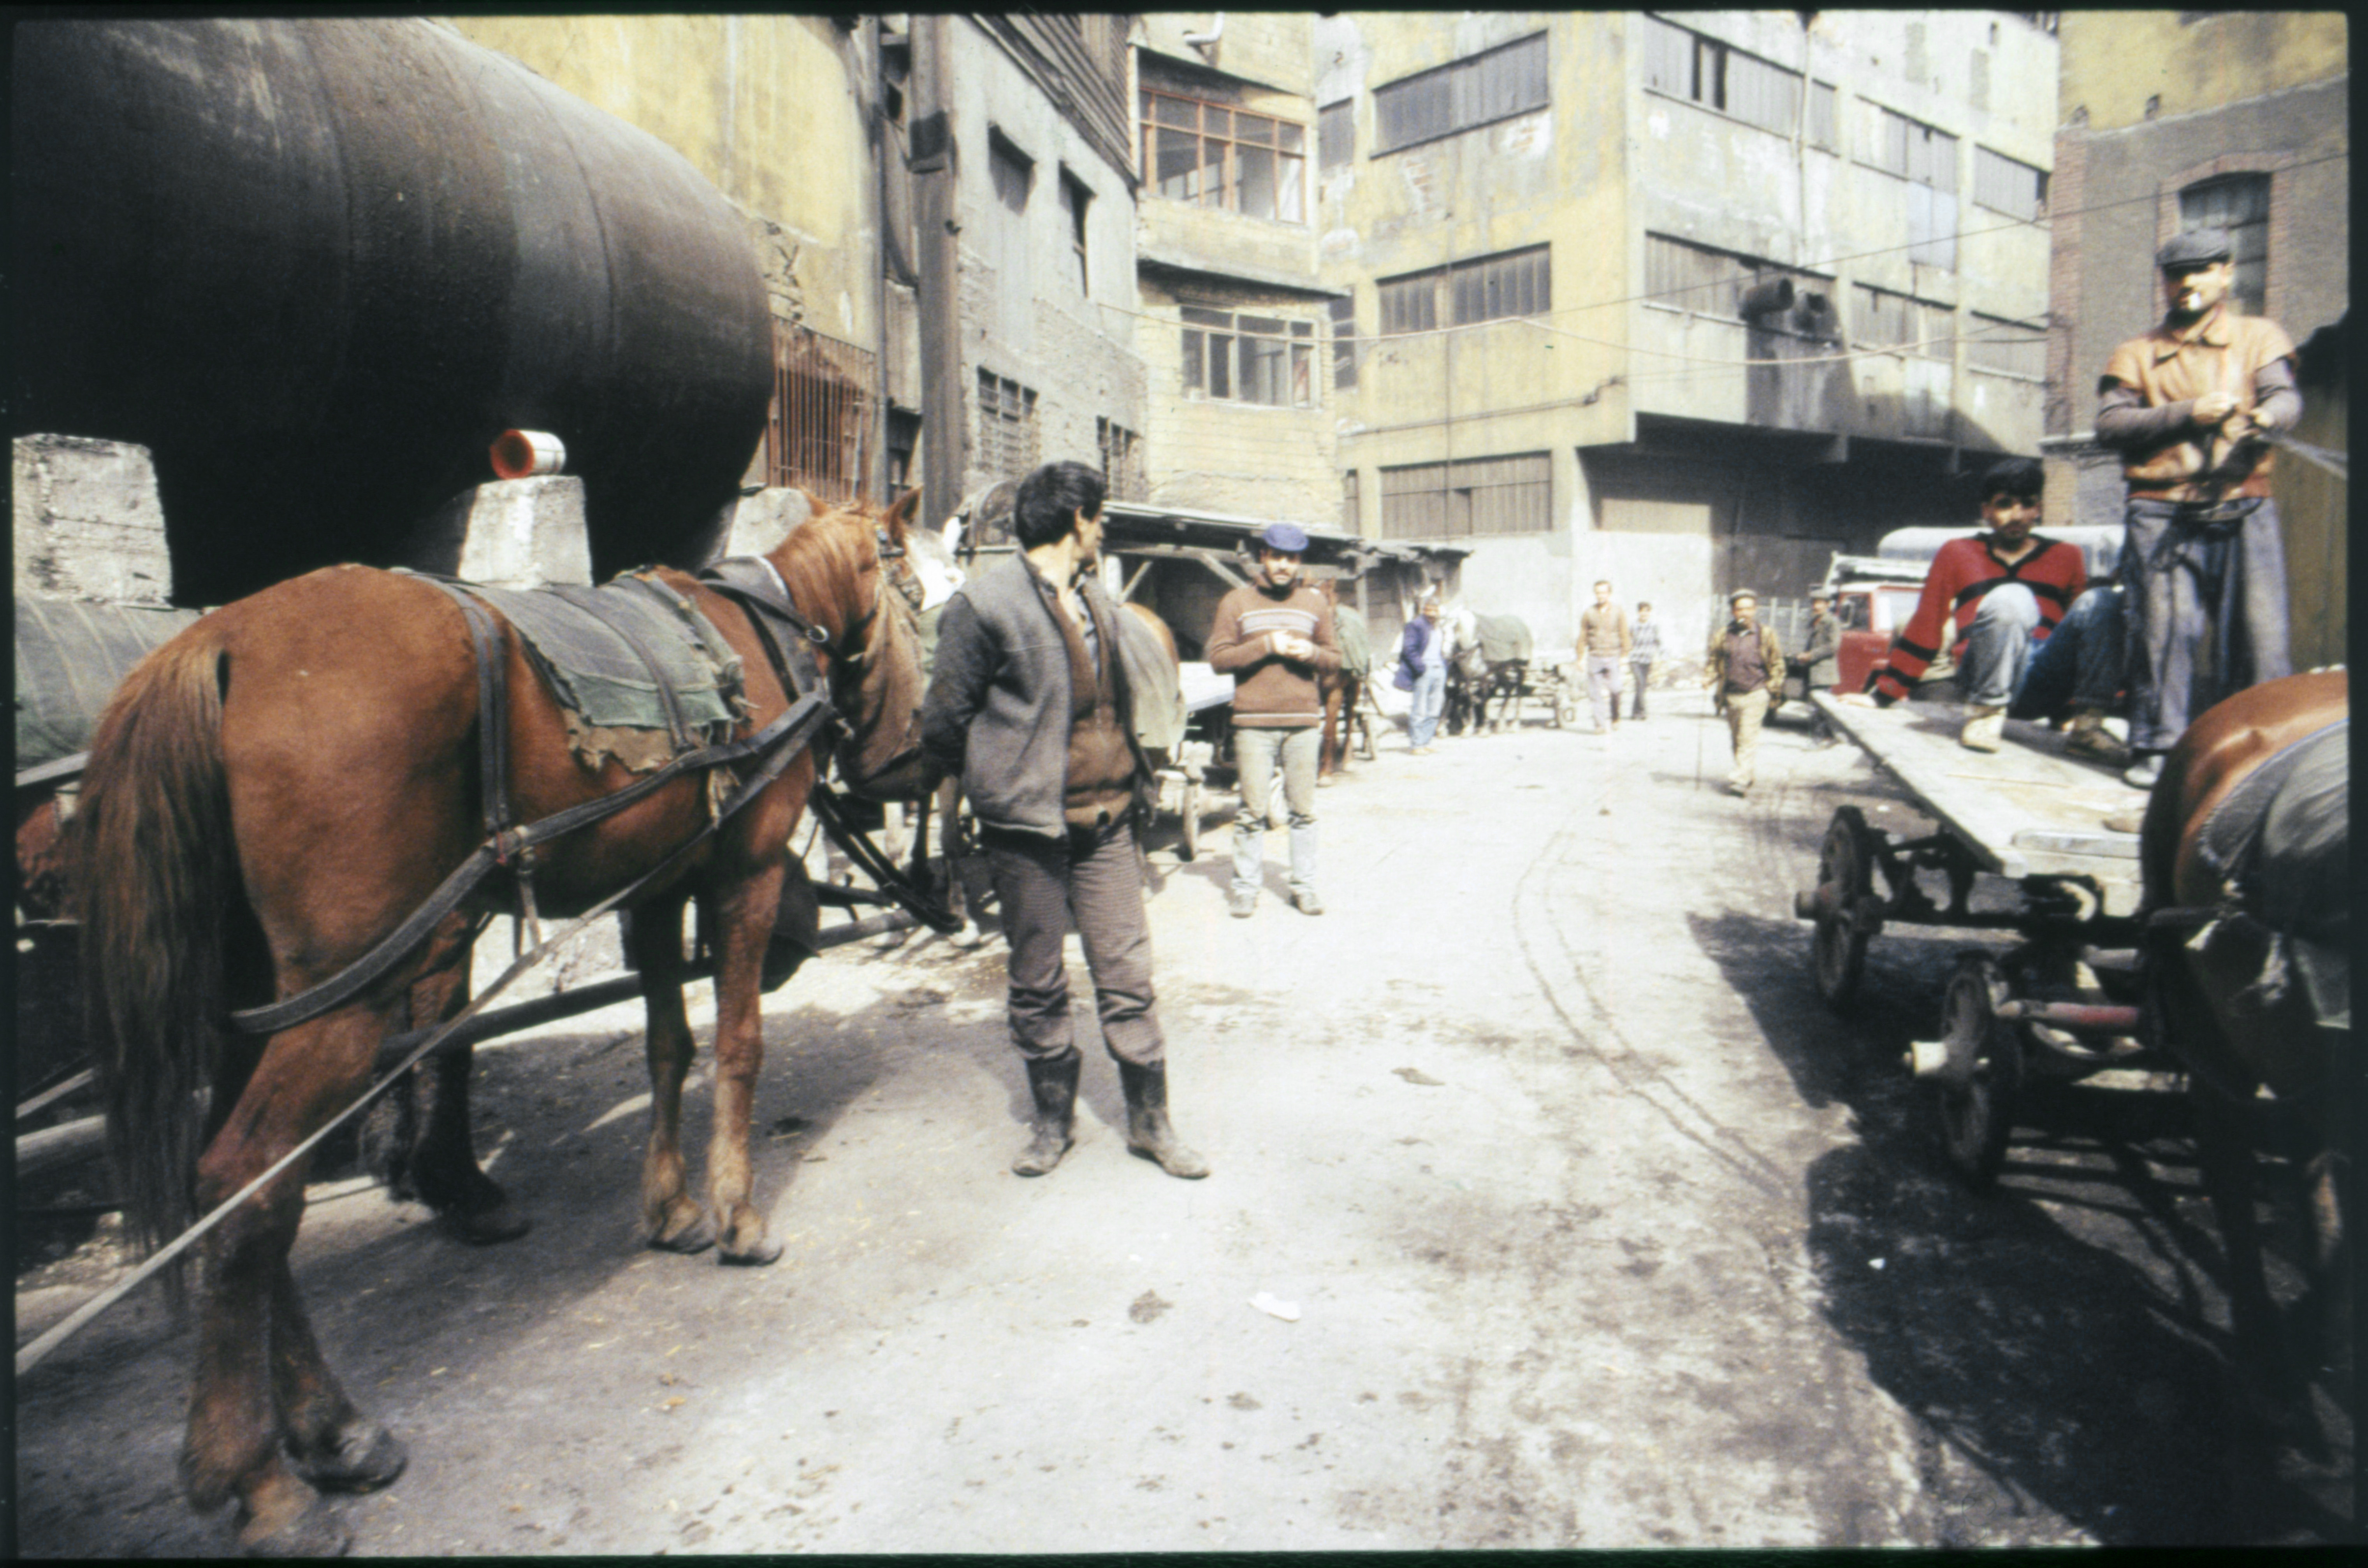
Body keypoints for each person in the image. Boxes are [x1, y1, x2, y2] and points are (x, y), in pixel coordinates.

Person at [919, 460, 1207, 1180]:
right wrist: (990, 791)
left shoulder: (1094, 598)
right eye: (1099, 517)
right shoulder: (983, 606)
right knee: (1037, 979)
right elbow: (944, 722)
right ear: (1078, 519)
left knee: (1127, 973)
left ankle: (1150, 1124)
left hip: (1107, 822)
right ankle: (1052, 1123)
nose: (1102, 530)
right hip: (1026, 833)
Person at [2096, 225, 2301, 790]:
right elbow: (2110, 424)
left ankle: (2263, 751)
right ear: (2164, 282)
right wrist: (2188, 412)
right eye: (2176, 274)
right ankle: (2156, 748)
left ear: (2226, 274)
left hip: (2243, 505)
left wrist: (2266, 417)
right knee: (2164, 633)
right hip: (2160, 511)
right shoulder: (2134, 353)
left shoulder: (2259, 337)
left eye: (2201, 270)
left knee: (2259, 636)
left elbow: (2284, 396)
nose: (2187, 282)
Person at [1857, 456, 2087, 754]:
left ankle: (2089, 724)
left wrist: (2067, 709)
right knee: (2012, 597)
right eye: (2004, 505)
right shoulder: (1958, 553)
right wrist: (1883, 694)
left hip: (2044, 685)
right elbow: (1927, 623)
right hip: (1981, 678)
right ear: (1986, 511)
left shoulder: (2067, 557)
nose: (2017, 516)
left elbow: (2080, 638)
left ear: (2038, 510)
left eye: (2027, 505)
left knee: (2100, 603)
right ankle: (1987, 714)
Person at [1206, 521, 1340, 919]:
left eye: (1292, 558)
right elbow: (1218, 659)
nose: (1284, 565)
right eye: (1277, 556)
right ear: (1263, 556)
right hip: (1253, 724)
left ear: (1299, 562)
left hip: (1302, 722)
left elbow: (1334, 659)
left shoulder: (1314, 604)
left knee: (1303, 811)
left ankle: (1304, 887)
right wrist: (1266, 645)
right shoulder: (1236, 601)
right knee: (1251, 811)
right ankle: (1245, 889)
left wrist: (1311, 654)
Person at [1703, 589, 1784, 795]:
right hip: (1731, 695)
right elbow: (1714, 660)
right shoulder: (1723, 635)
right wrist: (1709, 677)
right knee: (1737, 739)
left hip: (1756, 693)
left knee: (1747, 738)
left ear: (1755, 610)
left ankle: (1739, 780)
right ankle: (1747, 774)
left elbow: (1777, 663)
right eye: (1740, 609)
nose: (1744, 613)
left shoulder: (1766, 634)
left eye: (1748, 609)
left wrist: (1771, 688)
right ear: (1733, 611)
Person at [1577, 579, 1632, 734]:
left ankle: (1615, 717)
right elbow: (1582, 636)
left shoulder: (1618, 612)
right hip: (1595, 656)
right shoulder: (1589, 613)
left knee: (1616, 689)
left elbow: (1624, 633)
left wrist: (1625, 655)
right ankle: (1599, 725)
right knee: (1595, 694)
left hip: (1613, 656)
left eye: (1604, 593)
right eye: (1598, 593)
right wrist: (1580, 657)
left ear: (1609, 594)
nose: (1601, 596)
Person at [1396, 591, 1448, 754]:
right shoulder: (1415, 625)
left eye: (1435, 610)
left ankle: (1426, 741)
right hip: (1425, 671)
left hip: (1439, 670)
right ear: (1424, 610)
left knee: (1435, 709)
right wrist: (1421, 667)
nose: (1432, 614)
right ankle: (1417, 745)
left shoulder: (1438, 627)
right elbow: (1409, 649)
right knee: (1420, 710)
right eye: (1429, 610)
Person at [1790, 587, 1842, 745]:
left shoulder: (1831, 622)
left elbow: (1833, 646)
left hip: (1823, 673)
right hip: (1812, 672)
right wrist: (1803, 656)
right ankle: (1826, 738)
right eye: (1814, 603)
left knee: (1820, 708)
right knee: (1814, 707)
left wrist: (1811, 655)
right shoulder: (1814, 622)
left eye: (1820, 603)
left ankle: (1821, 739)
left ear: (1827, 605)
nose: (1816, 606)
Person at [1628, 601, 1661, 721]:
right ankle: (1642, 711)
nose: (1644, 614)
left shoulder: (1654, 626)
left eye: (1647, 611)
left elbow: (1658, 641)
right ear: (1638, 613)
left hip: (1647, 660)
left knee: (1641, 686)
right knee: (1640, 683)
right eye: (1642, 611)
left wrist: (1658, 656)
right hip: (1635, 659)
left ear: (1650, 613)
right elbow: (1627, 641)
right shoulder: (1633, 626)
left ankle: (1635, 712)